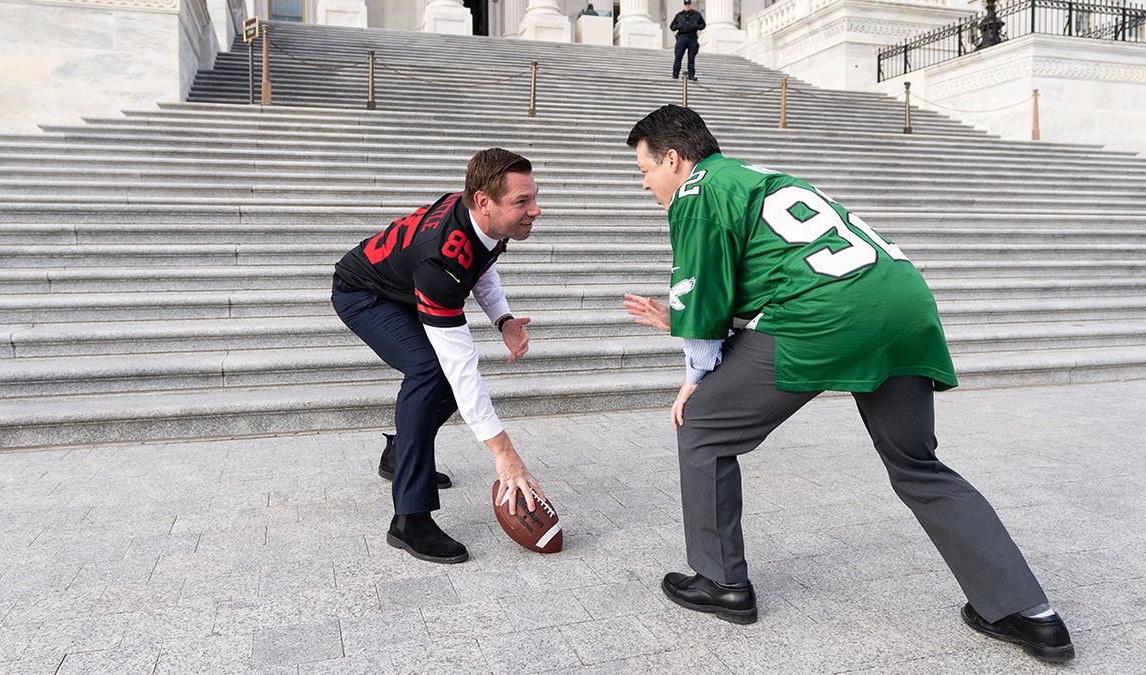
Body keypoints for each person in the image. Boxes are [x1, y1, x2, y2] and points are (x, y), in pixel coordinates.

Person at [621, 105, 1074, 663]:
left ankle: (720, 582)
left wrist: (698, 375)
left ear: (674, 158)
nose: (644, 183)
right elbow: (782, 270)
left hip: (827, 316)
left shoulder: (698, 191)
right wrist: (692, 321)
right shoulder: (764, 178)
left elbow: (706, 297)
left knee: (703, 429)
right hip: (903, 299)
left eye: (645, 169)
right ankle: (1027, 612)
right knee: (917, 464)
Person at [332, 147, 546, 565]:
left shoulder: (478, 216)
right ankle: (409, 519)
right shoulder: (441, 260)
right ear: (484, 202)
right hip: (364, 293)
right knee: (433, 371)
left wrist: (503, 319)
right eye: (522, 201)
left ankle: (400, 452)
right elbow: (460, 367)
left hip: (403, 284)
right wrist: (505, 455)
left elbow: (480, 264)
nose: (536, 210)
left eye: (534, 197)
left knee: (440, 375)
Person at [670, 0, 705, 81]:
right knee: (678, 57)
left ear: (690, 4)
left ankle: (691, 75)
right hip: (682, 38)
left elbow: (703, 25)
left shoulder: (697, 15)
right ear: (684, 5)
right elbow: (672, 27)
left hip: (692, 38)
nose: (687, 5)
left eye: (688, 4)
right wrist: (679, 26)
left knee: (691, 58)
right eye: (686, 4)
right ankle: (675, 74)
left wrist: (695, 26)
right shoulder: (679, 15)